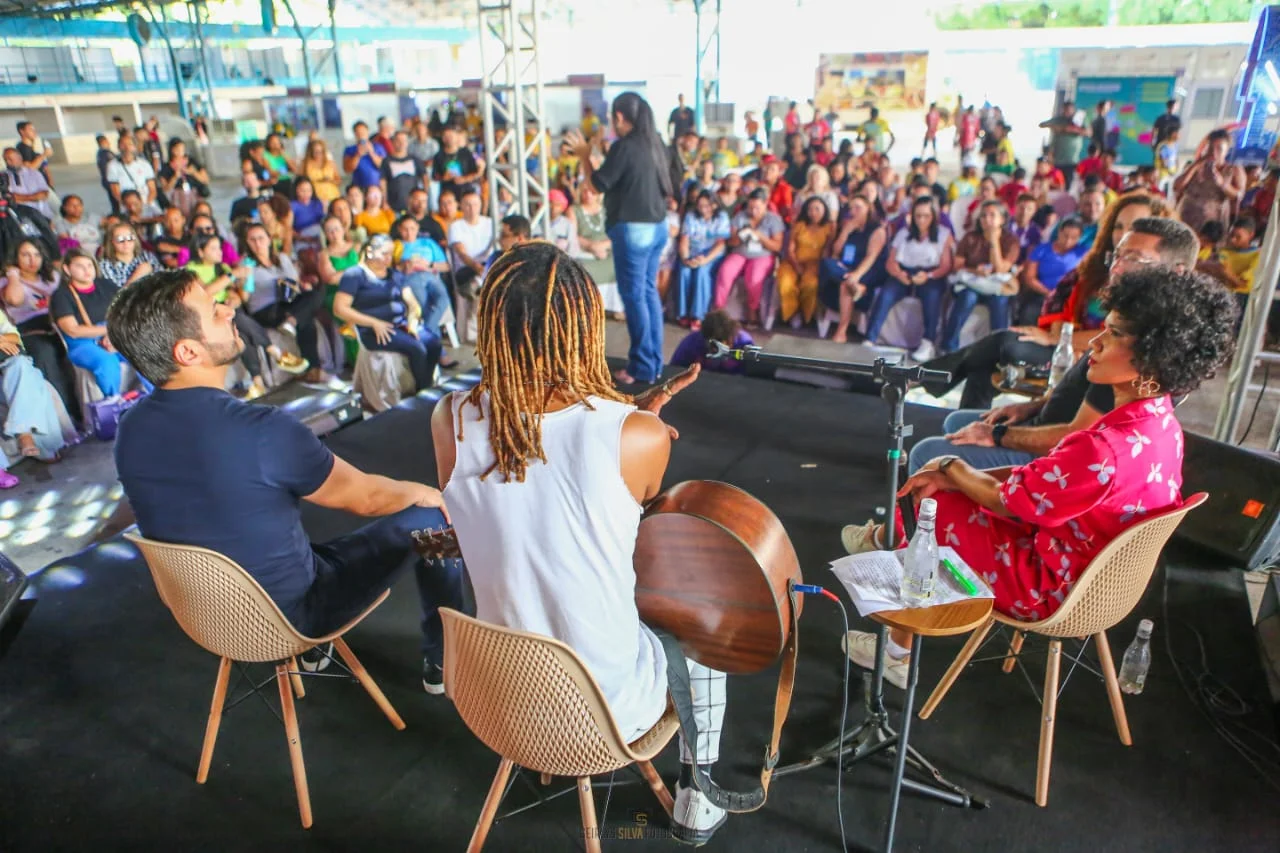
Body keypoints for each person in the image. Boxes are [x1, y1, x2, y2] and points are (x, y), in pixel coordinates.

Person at [433, 240, 730, 843]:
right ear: (584, 329)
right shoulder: (639, 436)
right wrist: (631, 418)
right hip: (606, 712)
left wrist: (621, 415)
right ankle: (698, 795)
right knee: (704, 639)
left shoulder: (449, 420)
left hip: (496, 693)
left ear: (491, 325)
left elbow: (534, 471)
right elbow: (625, 506)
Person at [842, 267, 1237, 687]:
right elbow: (1038, 486)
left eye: (1115, 334)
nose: (1096, 344)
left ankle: (895, 648)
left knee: (935, 509)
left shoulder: (1102, 448)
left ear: (1156, 357)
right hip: (1099, 578)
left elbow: (1013, 502)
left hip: (1051, 586)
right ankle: (890, 542)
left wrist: (951, 469)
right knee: (947, 495)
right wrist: (959, 476)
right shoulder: (1162, 425)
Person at [110, 268, 462, 689]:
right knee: (434, 522)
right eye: (213, 309)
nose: (228, 309)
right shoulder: (263, 430)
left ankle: (317, 652)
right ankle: (444, 658)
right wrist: (423, 492)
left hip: (205, 616)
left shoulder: (130, 428)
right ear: (188, 352)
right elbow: (365, 497)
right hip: (291, 615)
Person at [910, 216, 1199, 476]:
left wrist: (996, 435)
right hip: (1048, 425)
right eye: (1118, 255)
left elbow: (1077, 436)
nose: (1118, 267)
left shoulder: (1138, 346)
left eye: (1134, 259)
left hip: (1061, 458)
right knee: (957, 420)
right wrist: (1032, 408)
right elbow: (1078, 396)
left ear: (1177, 272)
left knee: (928, 452)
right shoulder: (1130, 318)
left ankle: (918, 528)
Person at [566, 92, 675, 385]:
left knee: (635, 297)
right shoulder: (657, 145)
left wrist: (585, 157)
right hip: (657, 227)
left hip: (633, 230)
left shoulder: (624, 147)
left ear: (619, 117)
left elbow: (597, 185)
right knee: (648, 292)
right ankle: (653, 364)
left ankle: (641, 367)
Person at [333, 235, 442, 392]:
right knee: (417, 348)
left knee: (434, 343)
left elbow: (412, 302)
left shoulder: (395, 275)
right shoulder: (355, 275)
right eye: (384, 253)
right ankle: (422, 393)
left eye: (390, 254)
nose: (388, 258)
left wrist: (412, 318)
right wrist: (373, 322)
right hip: (373, 330)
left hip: (401, 325)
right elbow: (339, 308)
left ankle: (426, 385)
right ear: (369, 252)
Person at [867, 195, 954, 361]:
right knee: (886, 294)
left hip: (930, 274)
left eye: (926, 216)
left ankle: (928, 342)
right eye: (918, 216)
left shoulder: (944, 234)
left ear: (934, 216)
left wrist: (928, 276)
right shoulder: (904, 233)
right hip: (904, 272)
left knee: (932, 297)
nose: (921, 220)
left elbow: (945, 266)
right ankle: (870, 338)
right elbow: (890, 262)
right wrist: (899, 274)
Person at [3, 238, 79, 420]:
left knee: (74, 355)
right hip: (30, 329)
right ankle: (67, 419)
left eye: (37, 255)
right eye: (25, 255)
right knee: (47, 358)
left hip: (60, 322)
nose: (32, 260)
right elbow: (14, 301)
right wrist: (13, 277)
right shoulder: (7, 282)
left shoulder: (53, 277)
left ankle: (85, 412)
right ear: (16, 257)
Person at [241, 223, 327, 383]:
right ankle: (312, 368)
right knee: (306, 319)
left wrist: (291, 285)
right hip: (265, 309)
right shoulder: (247, 264)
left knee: (315, 294)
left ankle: (292, 323)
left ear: (268, 239)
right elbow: (245, 298)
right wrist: (247, 277)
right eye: (252, 240)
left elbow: (295, 282)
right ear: (247, 243)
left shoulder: (281, 258)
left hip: (286, 302)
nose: (257, 243)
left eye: (260, 238)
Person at [50, 249, 133, 398]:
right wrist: (107, 330)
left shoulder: (105, 285)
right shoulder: (62, 295)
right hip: (82, 344)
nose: (86, 270)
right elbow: (73, 330)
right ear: (67, 269)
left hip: (114, 333)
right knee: (106, 361)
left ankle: (157, 397)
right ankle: (114, 404)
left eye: (90, 265)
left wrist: (115, 334)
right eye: (79, 266)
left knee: (144, 350)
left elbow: (127, 310)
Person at [940, 199, 1020, 353]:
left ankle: (999, 350)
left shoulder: (1011, 241)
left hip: (995, 286)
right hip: (972, 283)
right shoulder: (970, 237)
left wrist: (994, 241)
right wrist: (977, 271)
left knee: (1000, 301)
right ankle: (948, 346)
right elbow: (957, 266)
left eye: (992, 215)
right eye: (983, 216)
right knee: (967, 297)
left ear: (1002, 220)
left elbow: (1001, 269)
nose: (987, 219)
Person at [0, 309, 68, 488]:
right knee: (32, 379)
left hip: (6, 369)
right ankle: (41, 444)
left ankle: (24, 433)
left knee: (23, 367)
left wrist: (3, 339)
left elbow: (15, 339)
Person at [712, 188, 784, 327]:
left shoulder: (773, 219)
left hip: (762, 254)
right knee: (725, 271)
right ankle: (719, 309)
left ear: (765, 204)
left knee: (754, 278)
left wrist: (760, 236)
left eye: (757, 207)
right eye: (751, 207)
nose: (753, 211)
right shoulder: (741, 216)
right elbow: (730, 241)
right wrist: (740, 236)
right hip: (740, 252)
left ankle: (753, 310)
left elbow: (777, 247)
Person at [821, 194, 887, 344]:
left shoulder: (877, 229)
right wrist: (845, 231)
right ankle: (857, 287)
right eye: (851, 208)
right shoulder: (849, 227)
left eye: (858, 207)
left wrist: (856, 275)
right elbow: (836, 253)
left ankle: (841, 331)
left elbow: (872, 257)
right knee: (827, 263)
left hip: (869, 270)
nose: (854, 211)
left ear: (868, 209)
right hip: (847, 269)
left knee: (845, 285)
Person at [1016, 216, 1087, 326]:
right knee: (1029, 313)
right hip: (1042, 294)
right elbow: (1029, 278)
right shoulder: (1042, 250)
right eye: (1065, 236)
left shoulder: (1083, 253)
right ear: (1059, 232)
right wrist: (1049, 293)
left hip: (1070, 298)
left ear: (1080, 237)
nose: (1068, 241)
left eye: (1074, 237)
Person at [676, 190, 730, 328]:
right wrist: (686, 258)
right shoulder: (690, 216)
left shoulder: (722, 217)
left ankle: (698, 315)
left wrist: (705, 260)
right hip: (692, 252)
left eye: (706, 206)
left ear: (714, 205)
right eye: (700, 205)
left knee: (702, 272)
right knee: (684, 271)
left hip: (712, 253)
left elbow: (720, 243)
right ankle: (682, 313)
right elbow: (684, 240)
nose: (702, 209)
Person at [1174, 129, 1246, 234]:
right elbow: (1177, 186)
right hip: (1187, 215)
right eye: (1210, 148)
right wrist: (1195, 165)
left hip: (1213, 220)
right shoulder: (1196, 166)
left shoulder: (1234, 169)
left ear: (1226, 151)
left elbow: (1239, 195)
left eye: (1219, 149)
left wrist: (1222, 184)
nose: (1213, 152)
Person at [777, 196, 834, 326]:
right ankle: (792, 313)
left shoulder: (829, 228)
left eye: (817, 209)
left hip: (815, 264)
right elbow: (790, 249)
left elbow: (827, 250)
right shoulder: (799, 225)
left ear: (825, 210)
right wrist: (797, 266)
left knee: (811, 284)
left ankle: (807, 315)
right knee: (786, 283)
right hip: (793, 261)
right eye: (810, 209)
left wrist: (816, 267)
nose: (813, 212)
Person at [447, 186, 495, 299]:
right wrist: (476, 267)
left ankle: (478, 283)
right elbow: (461, 252)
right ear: (461, 206)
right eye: (468, 205)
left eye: (475, 204)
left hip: (487, 265)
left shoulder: (490, 223)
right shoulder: (456, 226)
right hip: (466, 268)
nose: (472, 208)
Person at [1038, 100, 1088, 191]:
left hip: (1071, 160)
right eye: (1066, 109)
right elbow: (1042, 124)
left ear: (1073, 110)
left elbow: (1088, 132)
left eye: (1069, 110)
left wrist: (1071, 129)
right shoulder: (1058, 120)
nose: (1067, 112)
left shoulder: (1078, 121)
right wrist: (1057, 127)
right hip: (1057, 160)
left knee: (1069, 186)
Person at [431, 126, 484, 201]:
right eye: (446, 136)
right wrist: (444, 178)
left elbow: (475, 173)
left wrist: (464, 179)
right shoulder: (438, 156)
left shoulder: (465, 153)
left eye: (451, 136)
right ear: (443, 138)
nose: (449, 139)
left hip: (465, 191)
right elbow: (434, 176)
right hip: (447, 193)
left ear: (456, 137)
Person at [380, 131, 427, 214]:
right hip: (393, 207)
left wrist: (424, 198)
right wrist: (384, 201)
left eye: (404, 140)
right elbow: (383, 182)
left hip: (414, 208)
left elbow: (425, 179)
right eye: (398, 140)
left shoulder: (415, 160)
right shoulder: (386, 161)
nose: (401, 143)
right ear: (393, 142)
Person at [3, 147, 53, 220]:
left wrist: (19, 198)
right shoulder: (4, 176)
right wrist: (33, 197)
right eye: (5, 160)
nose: (8, 162)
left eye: (10, 159)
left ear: (19, 158)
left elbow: (43, 195)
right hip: (19, 217)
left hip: (41, 215)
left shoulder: (34, 174)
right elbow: (7, 198)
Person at [342, 121, 386, 190]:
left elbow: (384, 166)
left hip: (376, 186)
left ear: (367, 132)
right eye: (358, 132)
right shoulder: (350, 150)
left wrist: (372, 153)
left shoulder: (378, 147)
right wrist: (358, 155)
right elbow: (347, 169)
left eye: (363, 132)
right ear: (355, 134)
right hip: (358, 187)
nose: (361, 135)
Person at [300, 137, 341, 203]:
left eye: (321, 151)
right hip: (315, 197)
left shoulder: (330, 163)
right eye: (316, 152)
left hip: (332, 195)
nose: (319, 154)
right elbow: (300, 180)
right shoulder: (305, 164)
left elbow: (338, 180)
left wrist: (330, 180)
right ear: (311, 151)